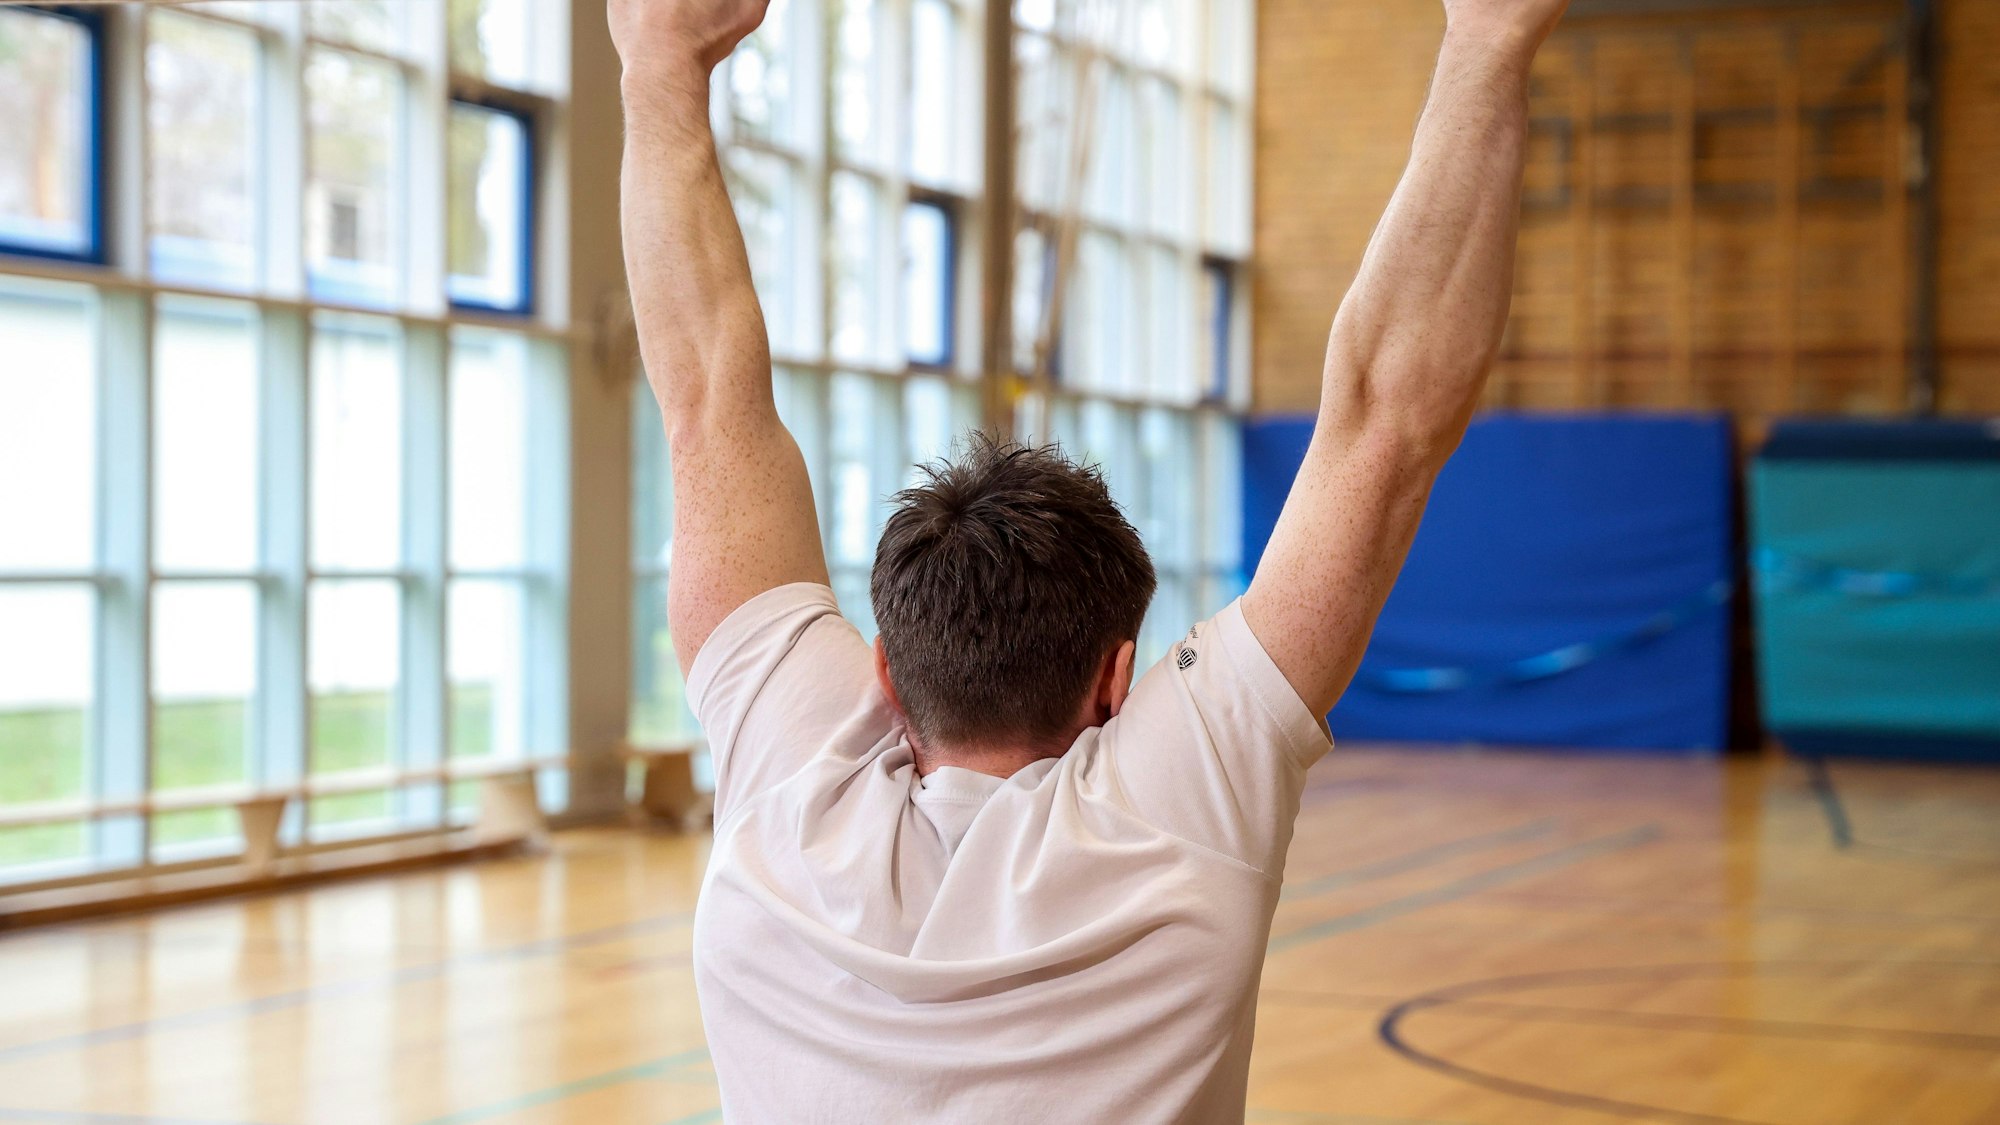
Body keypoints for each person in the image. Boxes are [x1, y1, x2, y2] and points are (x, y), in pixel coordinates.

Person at [610, 0, 1569, 1118]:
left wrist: (655, 64)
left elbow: (708, 399)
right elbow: (1385, 422)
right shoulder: (1171, 823)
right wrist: (1489, 38)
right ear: (1117, 681)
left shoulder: (785, 806)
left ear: (883, 675)